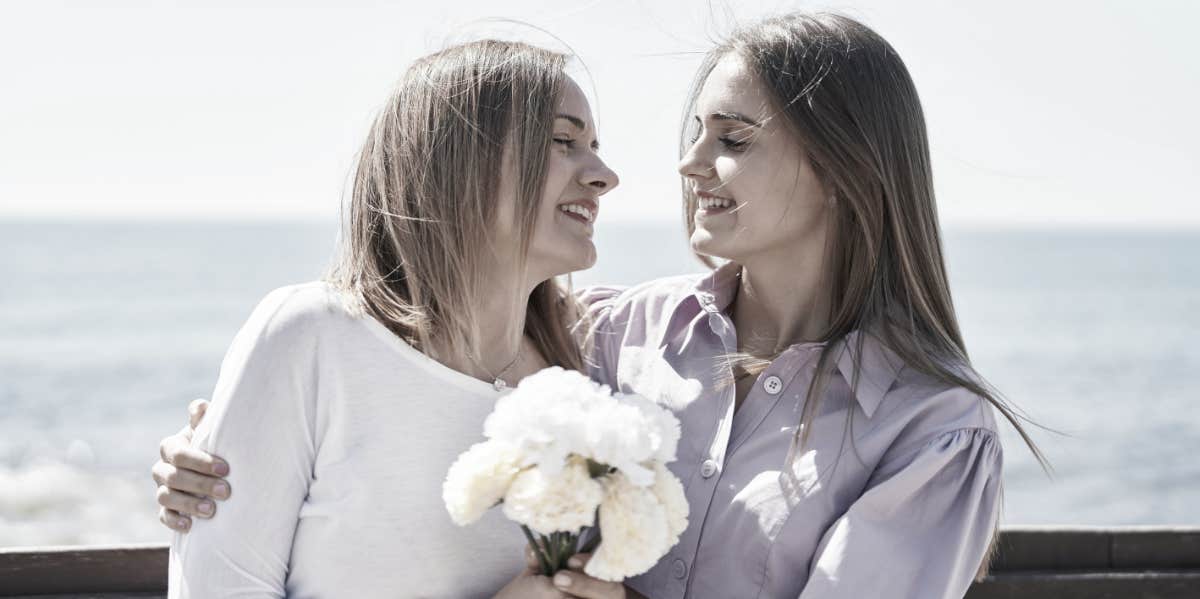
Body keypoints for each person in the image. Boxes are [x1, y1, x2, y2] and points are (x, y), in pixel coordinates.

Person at [155, 13, 1046, 599]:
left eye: (733, 139)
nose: (687, 167)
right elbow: (417, 364)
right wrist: (221, 446)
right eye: (693, 135)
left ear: (849, 169)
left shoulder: (932, 429)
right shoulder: (605, 339)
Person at [162, 38, 619, 598]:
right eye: (563, 141)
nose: (604, 174)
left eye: (594, 145)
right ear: (458, 158)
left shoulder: (594, 362)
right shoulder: (312, 338)